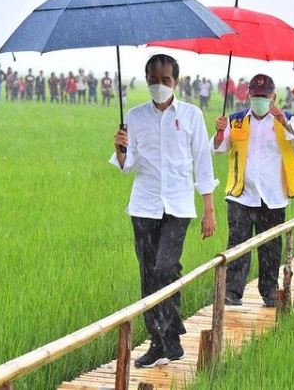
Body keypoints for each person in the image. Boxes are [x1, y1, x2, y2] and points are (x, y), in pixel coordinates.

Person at [111, 54, 217, 368]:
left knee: (167, 268)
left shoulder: (191, 115)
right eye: (154, 80)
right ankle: (158, 342)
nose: (159, 85)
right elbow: (127, 167)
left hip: (179, 206)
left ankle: (171, 333)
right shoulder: (134, 116)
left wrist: (208, 209)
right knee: (147, 275)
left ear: (176, 81)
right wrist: (120, 150)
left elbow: (203, 162)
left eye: (165, 79)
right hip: (144, 205)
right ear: (147, 80)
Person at [213, 74, 294, 307]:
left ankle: (269, 292)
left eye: (265, 97)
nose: (260, 101)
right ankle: (231, 292)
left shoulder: (285, 118)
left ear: (273, 97)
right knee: (238, 244)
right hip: (241, 194)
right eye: (256, 96)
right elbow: (217, 148)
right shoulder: (235, 120)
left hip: (273, 196)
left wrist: (285, 123)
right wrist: (218, 132)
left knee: (271, 246)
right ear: (248, 96)